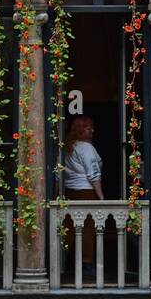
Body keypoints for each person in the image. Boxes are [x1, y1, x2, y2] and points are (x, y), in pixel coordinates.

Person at [62, 116, 104, 275]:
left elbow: (59, 175)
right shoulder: (86, 148)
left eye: (92, 127)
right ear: (80, 129)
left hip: (69, 192)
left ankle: (62, 262)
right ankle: (86, 264)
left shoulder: (67, 146)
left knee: (69, 229)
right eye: (88, 128)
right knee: (87, 229)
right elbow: (93, 174)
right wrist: (100, 196)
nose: (92, 130)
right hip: (86, 192)